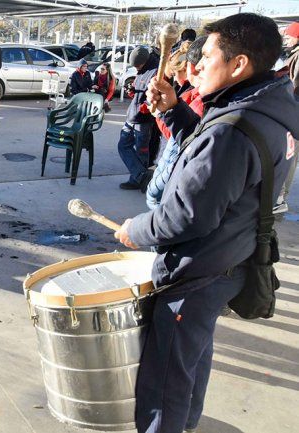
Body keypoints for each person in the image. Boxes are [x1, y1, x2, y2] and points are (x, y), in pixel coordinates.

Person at [114, 14, 298, 433]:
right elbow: (221, 163)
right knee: (191, 358)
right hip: (233, 259)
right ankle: (186, 424)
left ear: (238, 65)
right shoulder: (269, 109)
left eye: (206, 57)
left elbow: (186, 215)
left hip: (201, 268)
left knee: (164, 385)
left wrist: (135, 230)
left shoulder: (233, 128)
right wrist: (177, 112)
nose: (193, 67)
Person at [146, 38, 205, 210]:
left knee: (156, 199)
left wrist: (162, 114)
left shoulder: (199, 100)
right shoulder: (192, 93)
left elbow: (180, 137)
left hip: (178, 158)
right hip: (174, 156)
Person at [116, 46, 159, 191]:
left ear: (145, 61)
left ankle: (137, 179)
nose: (136, 68)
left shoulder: (156, 72)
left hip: (144, 119)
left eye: (137, 65)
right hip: (132, 115)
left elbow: (155, 96)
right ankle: (141, 176)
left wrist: (144, 107)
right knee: (123, 145)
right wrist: (133, 91)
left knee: (142, 150)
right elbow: (140, 90)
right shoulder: (142, 70)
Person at [275, 21, 299, 213]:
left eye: (290, 36)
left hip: (293, 114)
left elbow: (293, 86)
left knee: (288, 155)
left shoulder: (298, 57)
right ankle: (280, 196)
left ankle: (279, 198)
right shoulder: (294, 55)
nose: (287, 39)